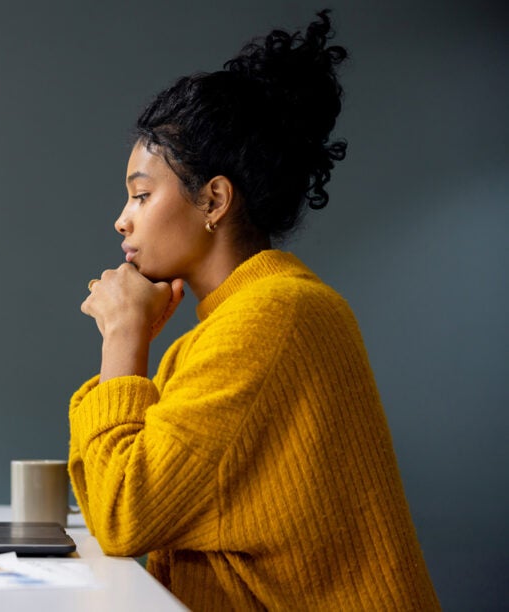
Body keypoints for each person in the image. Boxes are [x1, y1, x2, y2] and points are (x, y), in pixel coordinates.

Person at [70, 10, 439, 611]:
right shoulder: (244, 317)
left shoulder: (272, 319)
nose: (122, 218)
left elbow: (120, 515)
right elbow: (115, 501)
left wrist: (123, 338)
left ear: (213, 198)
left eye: (141, 194)